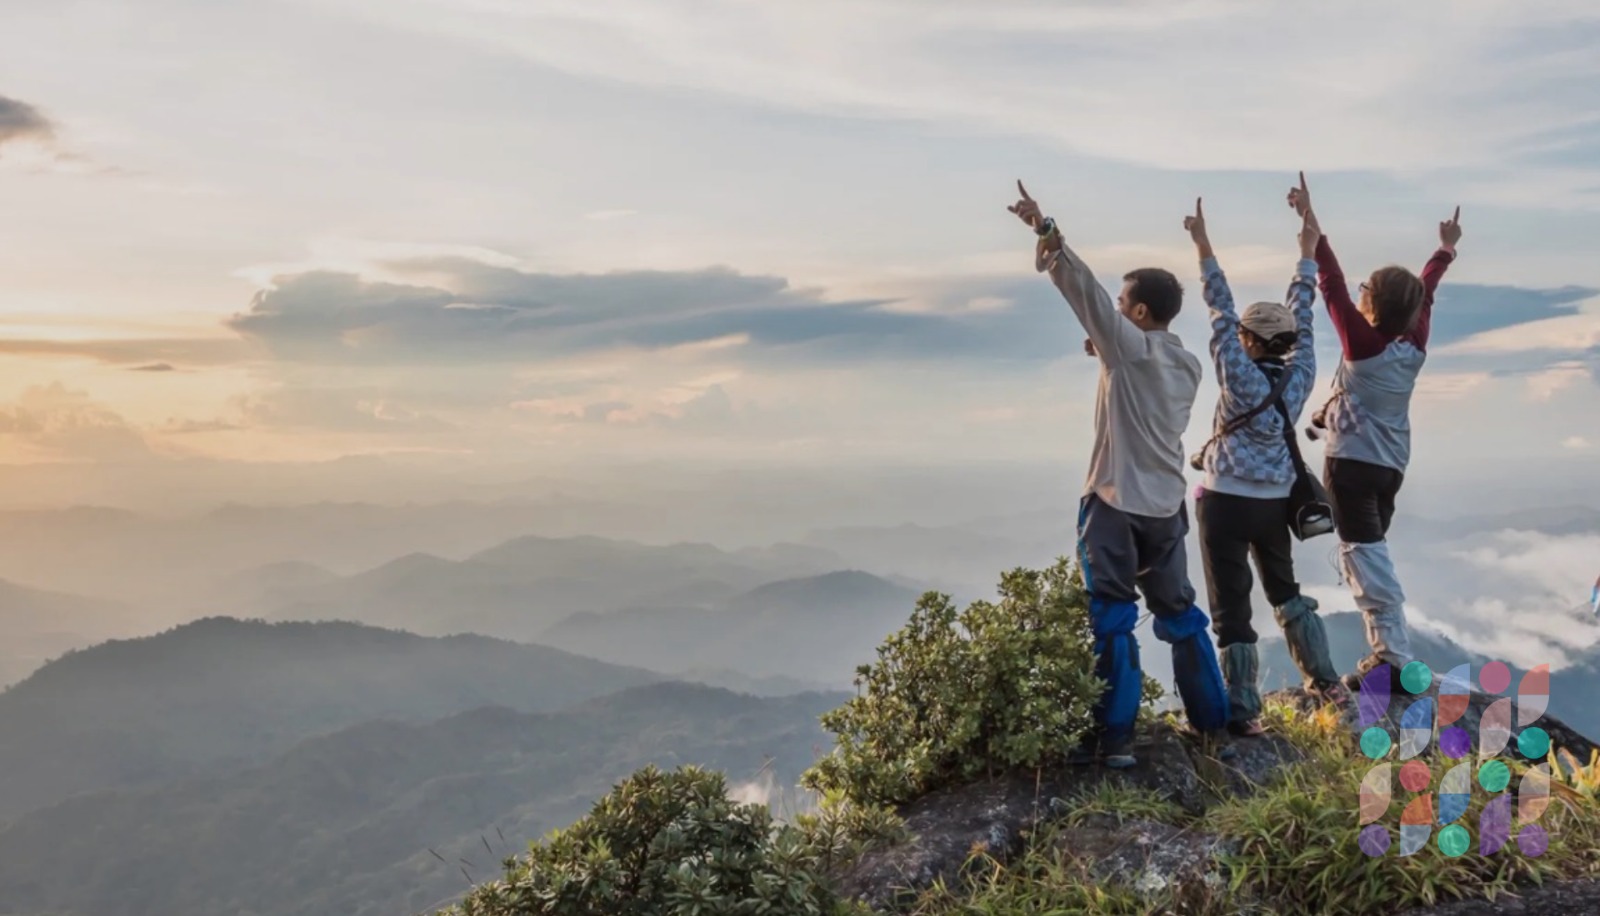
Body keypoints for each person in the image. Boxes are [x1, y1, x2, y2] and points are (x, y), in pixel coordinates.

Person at [1007, 181, 1232, 768]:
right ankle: (1213, 722)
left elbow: (1083, 291)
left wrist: (1046, 231)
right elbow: (1128, 353)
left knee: (1111, 617)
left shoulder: (1128, 350)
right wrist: (1106, 350)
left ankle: (1115, 740)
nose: (1115, 309)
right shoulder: (1184, 363)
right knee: (1180, 615)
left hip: (1113, 501)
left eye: (1123, 303)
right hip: (1166, 509)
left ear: (1136, 312)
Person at [1288, 173, 1462, 692]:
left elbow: (1331, 285)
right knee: (1369, 549)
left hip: (1352, 468)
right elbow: (1424, 293)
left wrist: (1312, 225)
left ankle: (1393, 658)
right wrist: (1444, 251)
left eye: (1366, 290)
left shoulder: (1364, 348)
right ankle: (1386, 653)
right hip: (1391, 468)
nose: (1357, 292)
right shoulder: (1414, 345)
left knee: (1364, 555)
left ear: (1372, 304)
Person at [1185, 190, 1349, 738]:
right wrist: (1306, 249)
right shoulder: (1301, 374)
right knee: (1284, 588)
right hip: (1275, 504)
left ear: (1248, 340)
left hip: (1225, 503)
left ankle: (1244, 709)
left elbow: (1218, 306)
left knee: (1232, 605)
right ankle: (1324, 680)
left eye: (1241, 335)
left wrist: (1204, 245)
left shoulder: (1236, 370)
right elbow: (1300, 305)